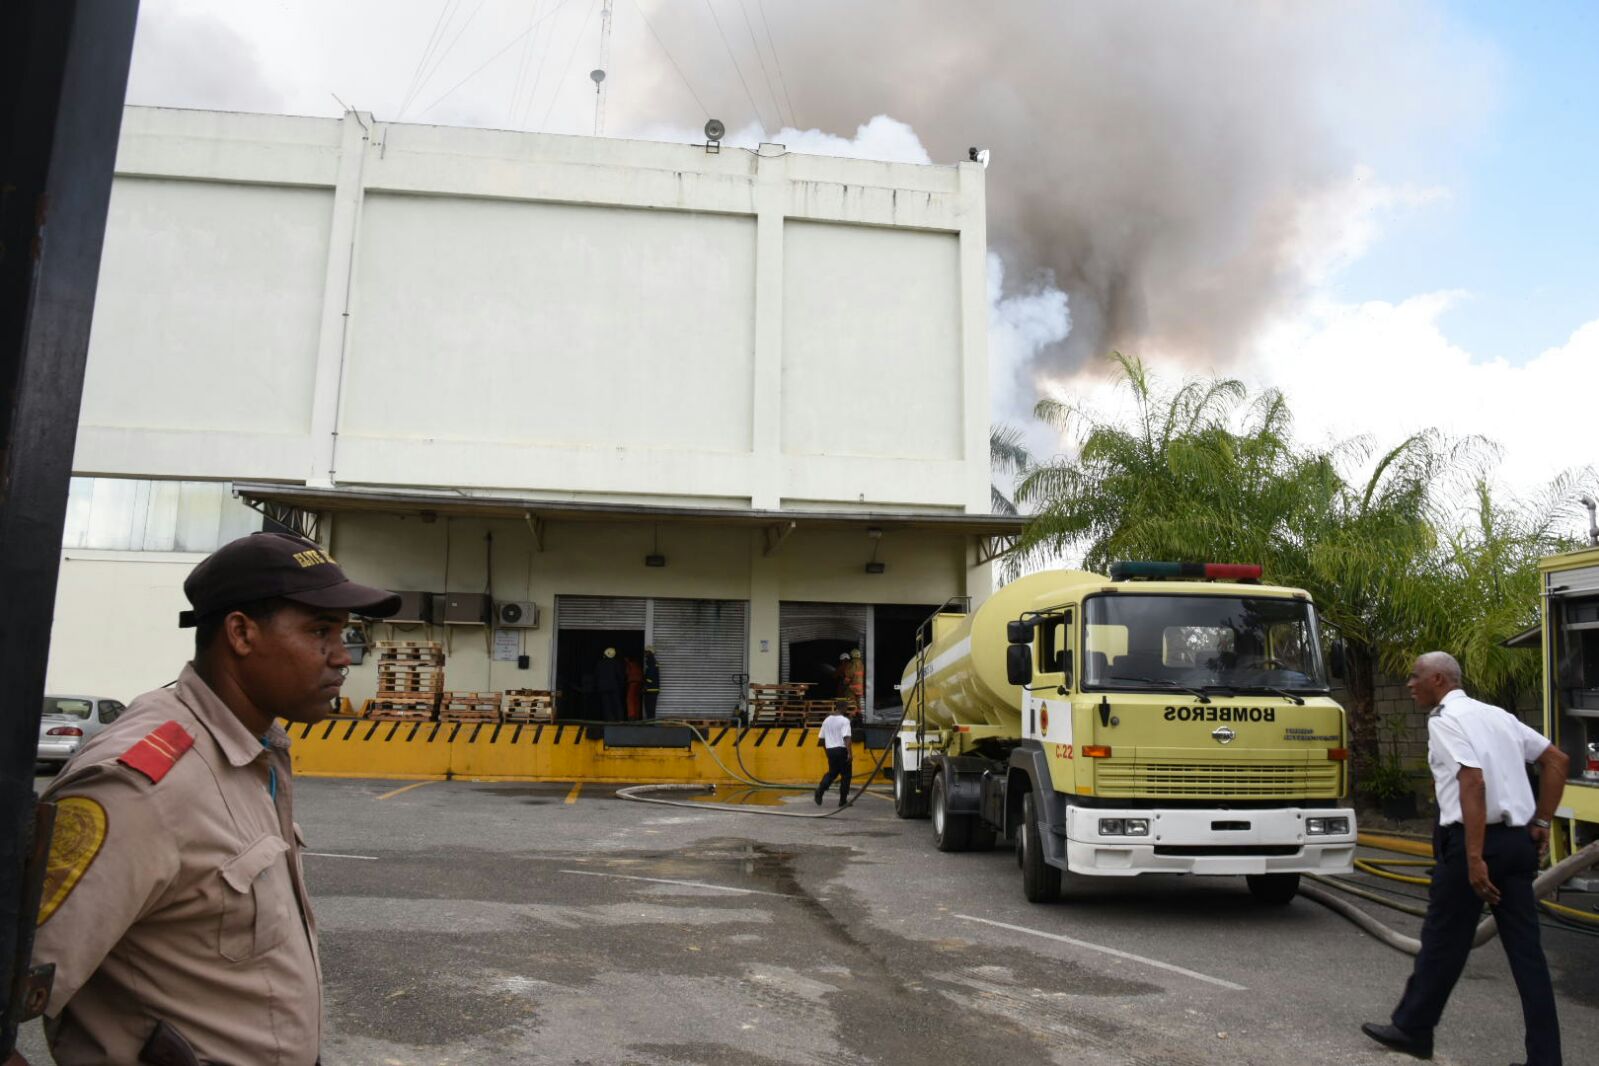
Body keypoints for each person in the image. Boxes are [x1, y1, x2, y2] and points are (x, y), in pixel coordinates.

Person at [22, 531, 400, 1066]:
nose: (342, 657)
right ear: (242, 634)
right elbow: (23, 969)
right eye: (320, 630)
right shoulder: (143, 787)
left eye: (344, 632)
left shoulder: (253, 747)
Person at [1361, 651, 1568, 1065]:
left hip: (1474, 844)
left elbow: (1472, 782)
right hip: (1516, 844)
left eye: (1415, 676)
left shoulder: (1445, 721)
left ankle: (1414, 1029)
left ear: (1438, 679)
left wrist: (1474, 858)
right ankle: (1545, 1059)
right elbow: (1556, 760)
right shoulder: (1498, 717)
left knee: (1442, 941)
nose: (1409, 684)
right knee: (1527, 954)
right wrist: (1542, 821)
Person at [813, 699, 854, 808]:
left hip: (831, 750)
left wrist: (827, 752)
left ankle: (820, 790)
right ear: (844, 708)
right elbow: (847, 737)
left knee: (832, 773)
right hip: (841, 750)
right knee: (846, 775)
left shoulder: (826, 720)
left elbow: (821, 740)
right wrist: (849, 753)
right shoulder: (845, 721)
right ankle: (843, 801)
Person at [595, 647, 626, 721]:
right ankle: (620, 719)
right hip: (614, 687)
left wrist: (597, 686)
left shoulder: (600, 663)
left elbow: (596, 675)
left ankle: (610, 720)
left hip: (603, 688)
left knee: (606, 705)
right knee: (617, 704)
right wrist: (621, 686)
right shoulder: (616, 663)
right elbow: (620, 676)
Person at [643, 648, 661, 720]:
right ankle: (650, 722)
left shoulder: (651, 661)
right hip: (653, 689)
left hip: (651, 689)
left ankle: (650, 723)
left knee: (649, 708)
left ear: (650, 652)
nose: (645, 654)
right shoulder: (652, 661)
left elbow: (650, 675)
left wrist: (646, 685)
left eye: (646, 652)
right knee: (651, 708)